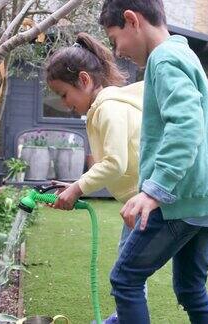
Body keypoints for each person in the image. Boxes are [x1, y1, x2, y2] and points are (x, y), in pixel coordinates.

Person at [99, 0, 208, 323]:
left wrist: (154, 190)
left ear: (132, 20)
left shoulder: (163, 59)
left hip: (180, 198)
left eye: (115, 38)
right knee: (191, 289)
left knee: (125, 278)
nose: (117, 51)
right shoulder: (183, 54)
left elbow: (186, 125)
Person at [44, 32, 144, 324]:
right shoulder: (102, 108)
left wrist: (77, 188)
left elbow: (114, 162)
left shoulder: (109, 109)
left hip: (148, 200)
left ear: (85, 81)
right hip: (136, 203)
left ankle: (122, 319)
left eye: (64, 94)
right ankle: (122, 318)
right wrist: (75, 186)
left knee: (128, 274)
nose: (64, 103)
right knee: (129, 270)